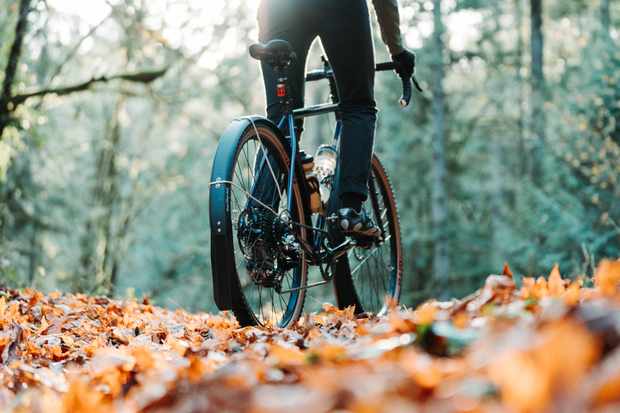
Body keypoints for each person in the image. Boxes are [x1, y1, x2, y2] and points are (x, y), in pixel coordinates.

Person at [257, 0, 416, 239]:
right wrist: (397, 50)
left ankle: (259, 222)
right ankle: (349, 211)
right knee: (358, 105)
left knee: (281, 118)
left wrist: (266, 26)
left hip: (277, 9)